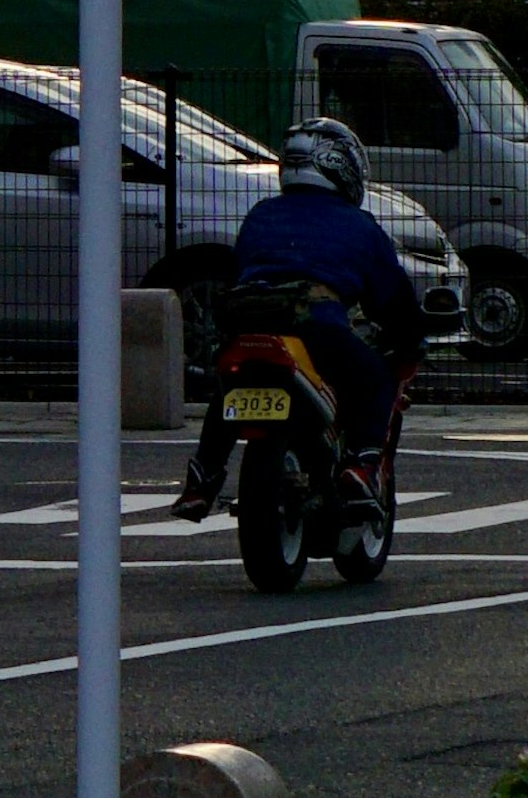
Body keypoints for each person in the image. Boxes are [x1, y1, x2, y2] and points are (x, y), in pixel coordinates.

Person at [171, 121, 427, 522]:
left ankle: (201, 478)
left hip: (246, 324)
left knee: (228, 393)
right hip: (316, 327)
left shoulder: (261, 214)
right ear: (340, 165)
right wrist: (410, 340)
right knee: (374, 379)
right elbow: (392, 298)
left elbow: (242, 264)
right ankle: (361, 463)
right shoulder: (358, 225)